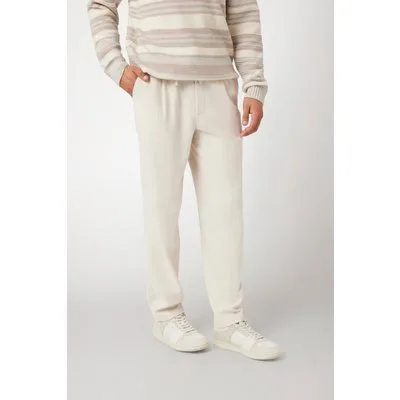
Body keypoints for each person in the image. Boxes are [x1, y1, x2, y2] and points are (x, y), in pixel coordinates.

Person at [87, 0, 280, 360]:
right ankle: (166, 315)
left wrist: (254, 83)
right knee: (162, 205)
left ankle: (229, 321)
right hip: (156, 82)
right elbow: (100, 4)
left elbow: (243, 10)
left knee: (225, 210)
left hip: (218, 84)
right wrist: (115, 65)